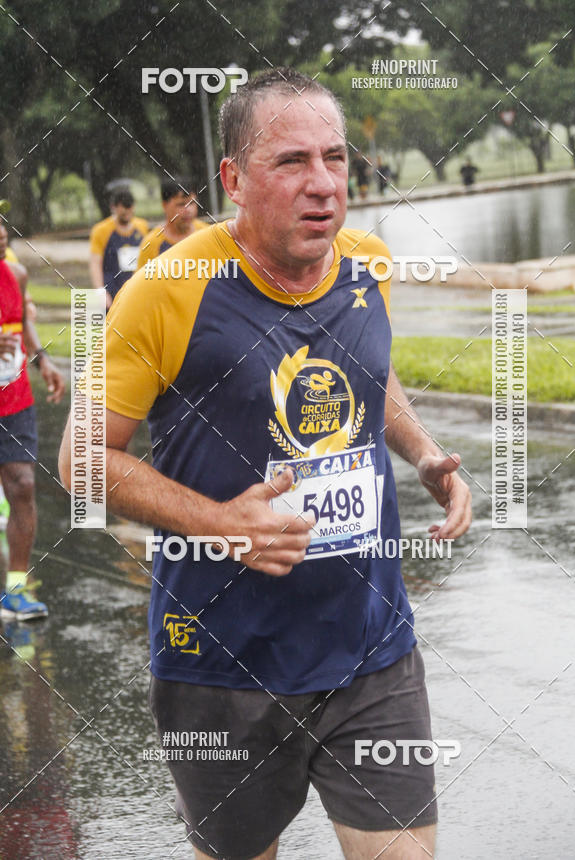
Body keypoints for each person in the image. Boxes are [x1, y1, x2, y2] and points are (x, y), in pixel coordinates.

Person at [59, 68, 471, 859]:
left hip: (370, 649)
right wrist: (219, 524)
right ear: (234, 180)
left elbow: (369, 378)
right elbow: (82, 458)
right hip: (220, 665)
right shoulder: (166, 291)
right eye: (291, 163)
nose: (323, 185)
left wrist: (421, 452)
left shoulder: (369, 265)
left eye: (335, 158)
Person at [0, 223, 65, 621]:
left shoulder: (15, 274)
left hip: (14, 399)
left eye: (2, 234)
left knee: (23, 485)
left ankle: (15, 591)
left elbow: (22, 321)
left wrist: (43, 359)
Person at [89, 187, 148, 308]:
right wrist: (100, 291)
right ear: (114, 208)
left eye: (130, 209)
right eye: (123, 212)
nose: (127, 214)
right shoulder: (101, 230)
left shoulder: (142, 227)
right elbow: (95, 262)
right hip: (111, 287)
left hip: (135, 287)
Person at [136, 179, 208, 270]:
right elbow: (142, 283)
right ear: (165, 205)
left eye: (192, 203)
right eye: (181, 204)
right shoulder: (151, 244)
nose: (188, 210)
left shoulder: (208, 234)